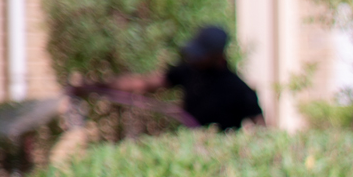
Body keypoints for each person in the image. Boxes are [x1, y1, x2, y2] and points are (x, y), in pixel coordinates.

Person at [109, 24, 263, 131]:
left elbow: (260, 125)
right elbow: (147, 83)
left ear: (217, 56)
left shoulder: (237, 88)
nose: (195, 58)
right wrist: (104, 86)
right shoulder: (188, 72)